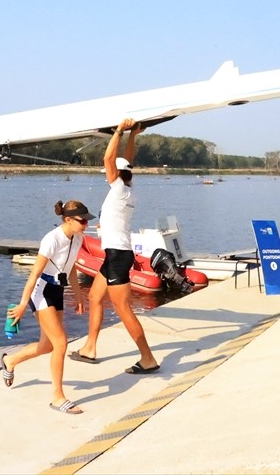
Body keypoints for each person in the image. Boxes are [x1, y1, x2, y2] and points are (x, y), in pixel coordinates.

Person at [71, 118, 160, 374]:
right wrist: (133, 135)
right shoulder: (128, 187)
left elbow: (108, 159)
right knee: (94, 297)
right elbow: (125, 160)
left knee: (123, 308)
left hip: (118, 256)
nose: (107, 175)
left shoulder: (119, 188)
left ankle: (148, 358)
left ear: (117, 175)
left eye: (111, 173)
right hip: (115, 255)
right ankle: (90, 348)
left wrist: (119, 131)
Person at [0, 200, 94, 414]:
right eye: (82, 221)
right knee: (61, 343)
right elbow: (34, 274)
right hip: (41, 291)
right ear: (68, 219)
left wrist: (78, 295)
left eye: (87, 221)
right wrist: (23, 304)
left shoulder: (78, 238)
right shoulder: (52, 239)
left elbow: (71, 267)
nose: (86, 225)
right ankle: (57, 397)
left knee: (47, 346)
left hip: (57, 291)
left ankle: (10, 361)